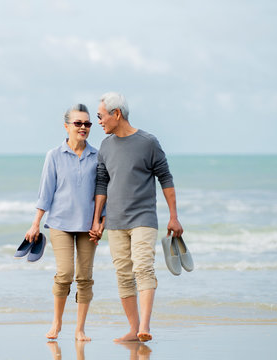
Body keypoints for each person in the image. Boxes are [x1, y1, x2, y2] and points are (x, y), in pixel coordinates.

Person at [90, 92, 183, 342]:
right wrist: (98, 220)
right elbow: (101, 183)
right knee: (123, 273)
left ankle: (145, 326)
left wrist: (174, 216)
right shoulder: (105, 146)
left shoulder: (148, 142)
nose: (98, 121)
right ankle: (133, 329)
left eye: (101, 116)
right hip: (115, 221)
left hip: (143, 218)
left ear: (116, 114)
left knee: (143, 267)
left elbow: (165, 177)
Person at [25, 103, 101, 341]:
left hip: (88, 225)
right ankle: (57, 322)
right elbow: (45, 192)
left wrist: (101, 221)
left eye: (87, 123)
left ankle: (80, 329)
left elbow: (102, 191)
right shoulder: (54, 155)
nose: (83, 127)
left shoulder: (98, 156)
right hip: (59, 223)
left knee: (85, 277)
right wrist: (36, 223)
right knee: (65, 273)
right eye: (78, 123)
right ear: (66, 126)